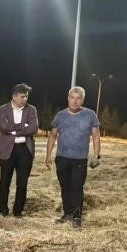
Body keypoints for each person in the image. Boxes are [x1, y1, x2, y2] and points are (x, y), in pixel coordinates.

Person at [44, 86, 101, 228]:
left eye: (78, 98)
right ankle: (67, 213)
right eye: (72, 98)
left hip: (80, 159)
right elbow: (53, 136)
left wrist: (96, 155)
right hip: (62, 158)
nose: (75, 101)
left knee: (77, 187)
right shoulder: (60, 116)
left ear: (82, 100)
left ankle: (76, 217)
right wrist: (48, 156)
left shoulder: (90, 115)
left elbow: (96, 136)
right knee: (65, 187)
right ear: (68, 98)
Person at [0, 83, 39, 217]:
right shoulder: (3, 109)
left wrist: (14, 130)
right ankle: (3, 210)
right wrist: (23, 126)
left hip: (25, 151)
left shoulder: (31, 109)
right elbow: (3, 127)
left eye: (26, 96)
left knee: (22, 184)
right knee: (4, 183)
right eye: (22, 96)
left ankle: (18, 211)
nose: (25, 99)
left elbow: (34, 128)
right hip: (7, 150)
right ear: (14, 97)